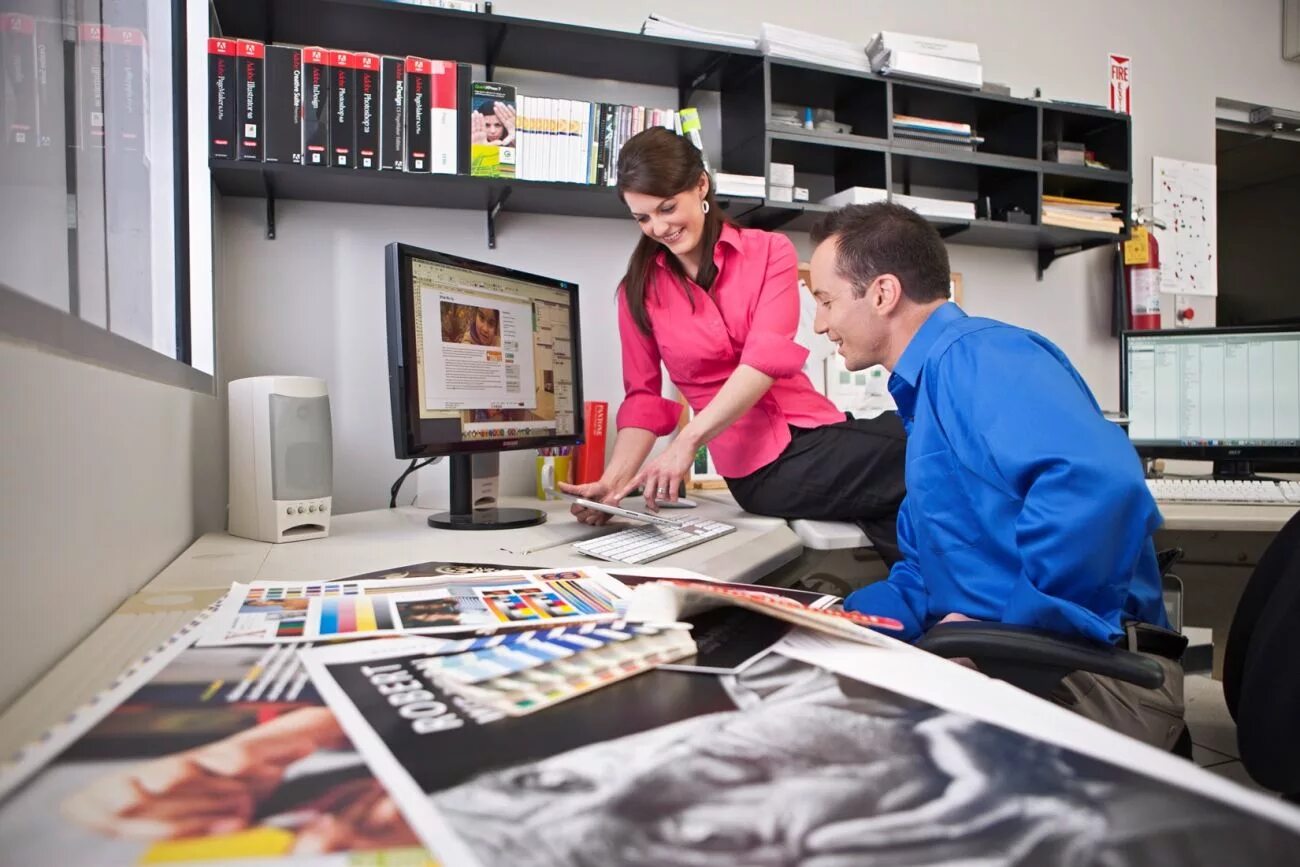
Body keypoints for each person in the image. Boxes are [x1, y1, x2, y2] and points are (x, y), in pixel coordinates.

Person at [806, 202, 1185, 749]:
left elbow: (1100, 487)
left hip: (1089, 676)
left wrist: (1007, 638)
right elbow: (925, 572)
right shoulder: (931, 389)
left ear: (883, 294)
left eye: (825, 301)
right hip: (1019, 654)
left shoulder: (977, 356)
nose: (820, 323)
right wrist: (843, 621)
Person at [558, 127, 906, 558]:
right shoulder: (637, 292)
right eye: (643, 218)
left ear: (701, 185)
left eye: (667, 208)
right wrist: (611, 486)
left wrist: (687, 442)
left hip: (819, 432)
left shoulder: (769, 252)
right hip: (763, 468)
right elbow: (643, 399)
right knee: (933, 444)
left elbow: (765, 359)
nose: (659, 227)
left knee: (922, 451)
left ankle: (932, 597)